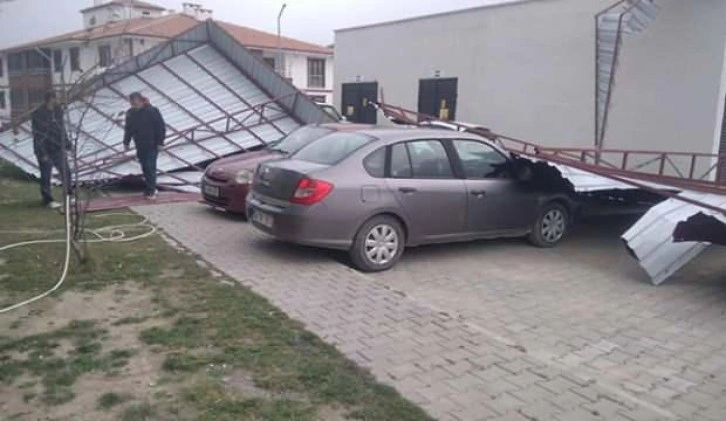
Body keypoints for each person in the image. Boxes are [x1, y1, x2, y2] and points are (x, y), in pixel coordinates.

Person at [31, 91, 72, 209]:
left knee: (66, 171)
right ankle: (48, 200)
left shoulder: (58, 111)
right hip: (44, 148)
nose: (60, 100)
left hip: (57, 147)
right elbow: (38, 135)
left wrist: (68, 144)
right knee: (46, 174)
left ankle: (69, 195)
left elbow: (61, 129)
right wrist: (42, 152)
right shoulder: (38, 114)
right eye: (58, 98)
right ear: (51, 99)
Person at [123, 92, 166, 199]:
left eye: (134, 102)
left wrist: (160, 142)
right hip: (139, 144)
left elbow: (160, 127)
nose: (133, 104)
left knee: (149, 166)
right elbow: (128, 128)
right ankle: (151, 187)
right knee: (144, 167)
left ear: (140, 100)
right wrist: (126, 142)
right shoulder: (131, 113)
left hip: (152, 143)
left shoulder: (152, 111)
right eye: (131, 102)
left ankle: (151, 190)